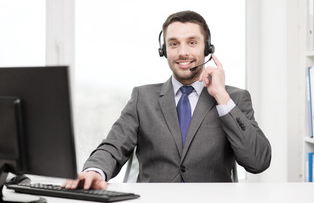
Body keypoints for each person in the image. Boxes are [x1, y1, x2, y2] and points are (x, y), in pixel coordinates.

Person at [63, 10, 271, 190]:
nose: (182, 52)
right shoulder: (142, 98)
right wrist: (94, 171)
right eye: (173, 44)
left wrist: (221, 97)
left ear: (207, 48)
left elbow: (258, 161)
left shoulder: (234, 99)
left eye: (192, 42)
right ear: (163, 50)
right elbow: (113, 146)